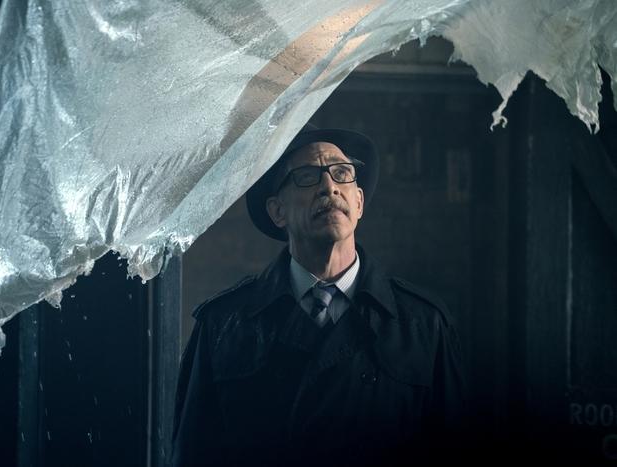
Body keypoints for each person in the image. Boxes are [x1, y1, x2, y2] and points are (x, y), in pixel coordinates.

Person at [172, 123, 467, 466]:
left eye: (342, 173)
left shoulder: (423, 323)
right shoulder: (223, 325)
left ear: (359, 202)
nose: (329, 187)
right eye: (307, 177)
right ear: (277, 211)